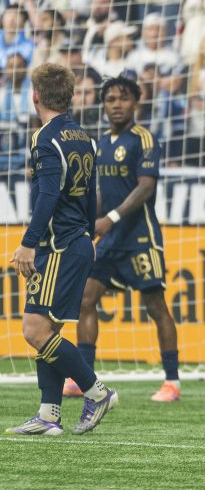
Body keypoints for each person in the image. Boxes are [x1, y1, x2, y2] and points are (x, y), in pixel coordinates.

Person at [6, 62, 117, 436]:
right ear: (69, 97)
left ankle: (97, 392)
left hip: (58, 245)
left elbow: (49, 195)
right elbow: (90, 197)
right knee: (49, 328)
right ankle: (49, 414)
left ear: (35, 96)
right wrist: (89, 236)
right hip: (76, 242)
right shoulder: (85, 138)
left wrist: (28, 243)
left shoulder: (44, 137)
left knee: (34, 330)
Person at [61, 76, 181, 402]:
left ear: (136, 103)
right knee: (85, 298)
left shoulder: (143, 139)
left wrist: (110, 219)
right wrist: (86, 223)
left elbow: (145, 187)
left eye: (123, 99)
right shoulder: (100, 144)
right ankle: (83, 378)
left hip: (141, 237)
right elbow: (102, 193)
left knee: (155, 306)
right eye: (111, 99)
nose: (117, 104)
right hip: (111, 241)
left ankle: (172, 382)